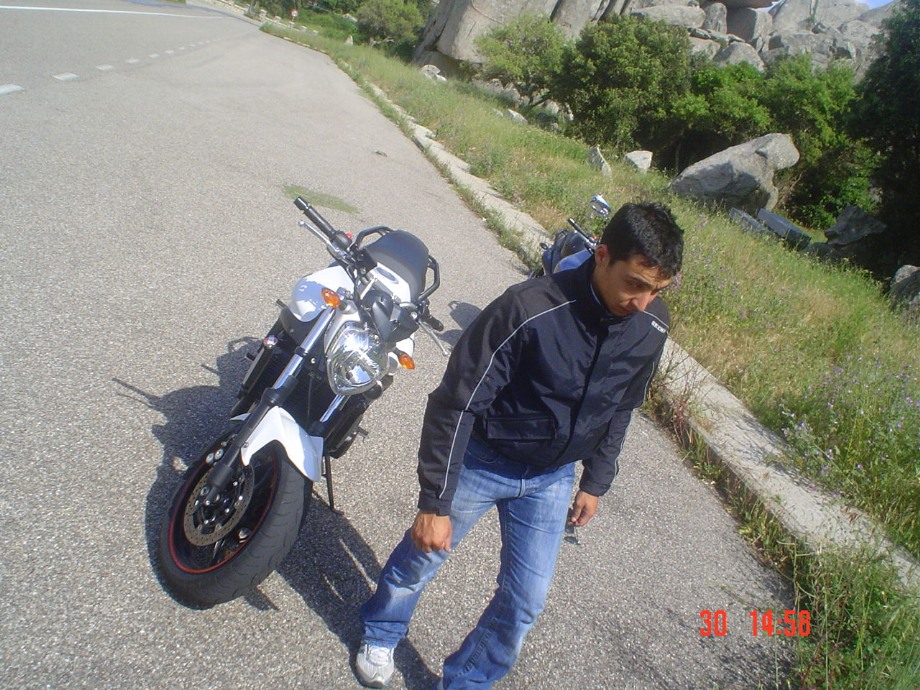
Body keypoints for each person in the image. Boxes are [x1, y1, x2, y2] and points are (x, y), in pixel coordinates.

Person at [355, 202, 684, 689]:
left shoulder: (651, 324)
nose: (643, 302)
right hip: (483, 461)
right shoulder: (528, 308)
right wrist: (434, 503)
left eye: (657, 290)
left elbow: (622, 406)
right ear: (602, 255)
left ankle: (466, 682)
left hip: (551, 479)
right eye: (635, 283)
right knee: (422, 558)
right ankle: (382, 630)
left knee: (526, 601)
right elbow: (457, 402)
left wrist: (595, 480)